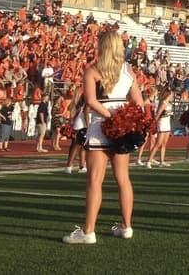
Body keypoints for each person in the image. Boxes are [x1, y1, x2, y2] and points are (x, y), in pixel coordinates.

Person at [63, 30, 145, 244]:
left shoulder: (92, 70)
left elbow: (90, 101)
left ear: (102, 46)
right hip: (122, 129)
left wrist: (111, 117)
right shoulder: (129, 71)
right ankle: (126, 227)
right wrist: (124, 120)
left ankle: (89, 232)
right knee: (123, 179)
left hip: (100, 127)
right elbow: (139, 102)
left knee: (94, 181)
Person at [147, 86, 174, 168]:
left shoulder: (169, 103)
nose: (172, 96)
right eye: (171, 95)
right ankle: (149, 161)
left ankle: (162, 161)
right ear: (168, 95)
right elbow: (158, 114)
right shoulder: (164, 102)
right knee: (158, 143)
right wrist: (154, 123)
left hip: (167, 123)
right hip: (162, 123)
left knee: (164, 144)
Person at [65, 90, 87, 174]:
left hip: (81, 125)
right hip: (81, 125)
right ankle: (69, 166)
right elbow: (86, 114)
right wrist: (88, 126)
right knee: (77, 145)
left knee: (83, 146)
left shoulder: (83, 104)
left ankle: (82, 166)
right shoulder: (87, 103)